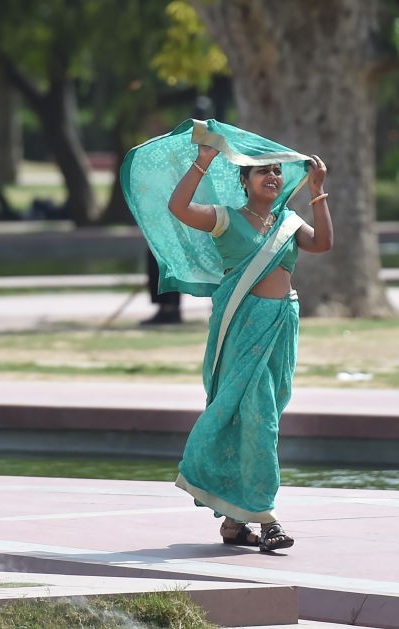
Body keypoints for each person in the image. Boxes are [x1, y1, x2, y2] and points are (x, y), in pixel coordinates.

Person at [121, 119, 333, 552]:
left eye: (276, 171)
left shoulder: (288, 222)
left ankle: (234, 522)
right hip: (242, 325)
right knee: (258, 417)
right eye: (262, 170)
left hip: (281, 324)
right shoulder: (225, 219)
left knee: (264, 413)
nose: (272, 176)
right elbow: (179, 208)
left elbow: (323, 243)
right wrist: (202, 161)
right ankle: (267, 520)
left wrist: (317, 191)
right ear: (244, 180)